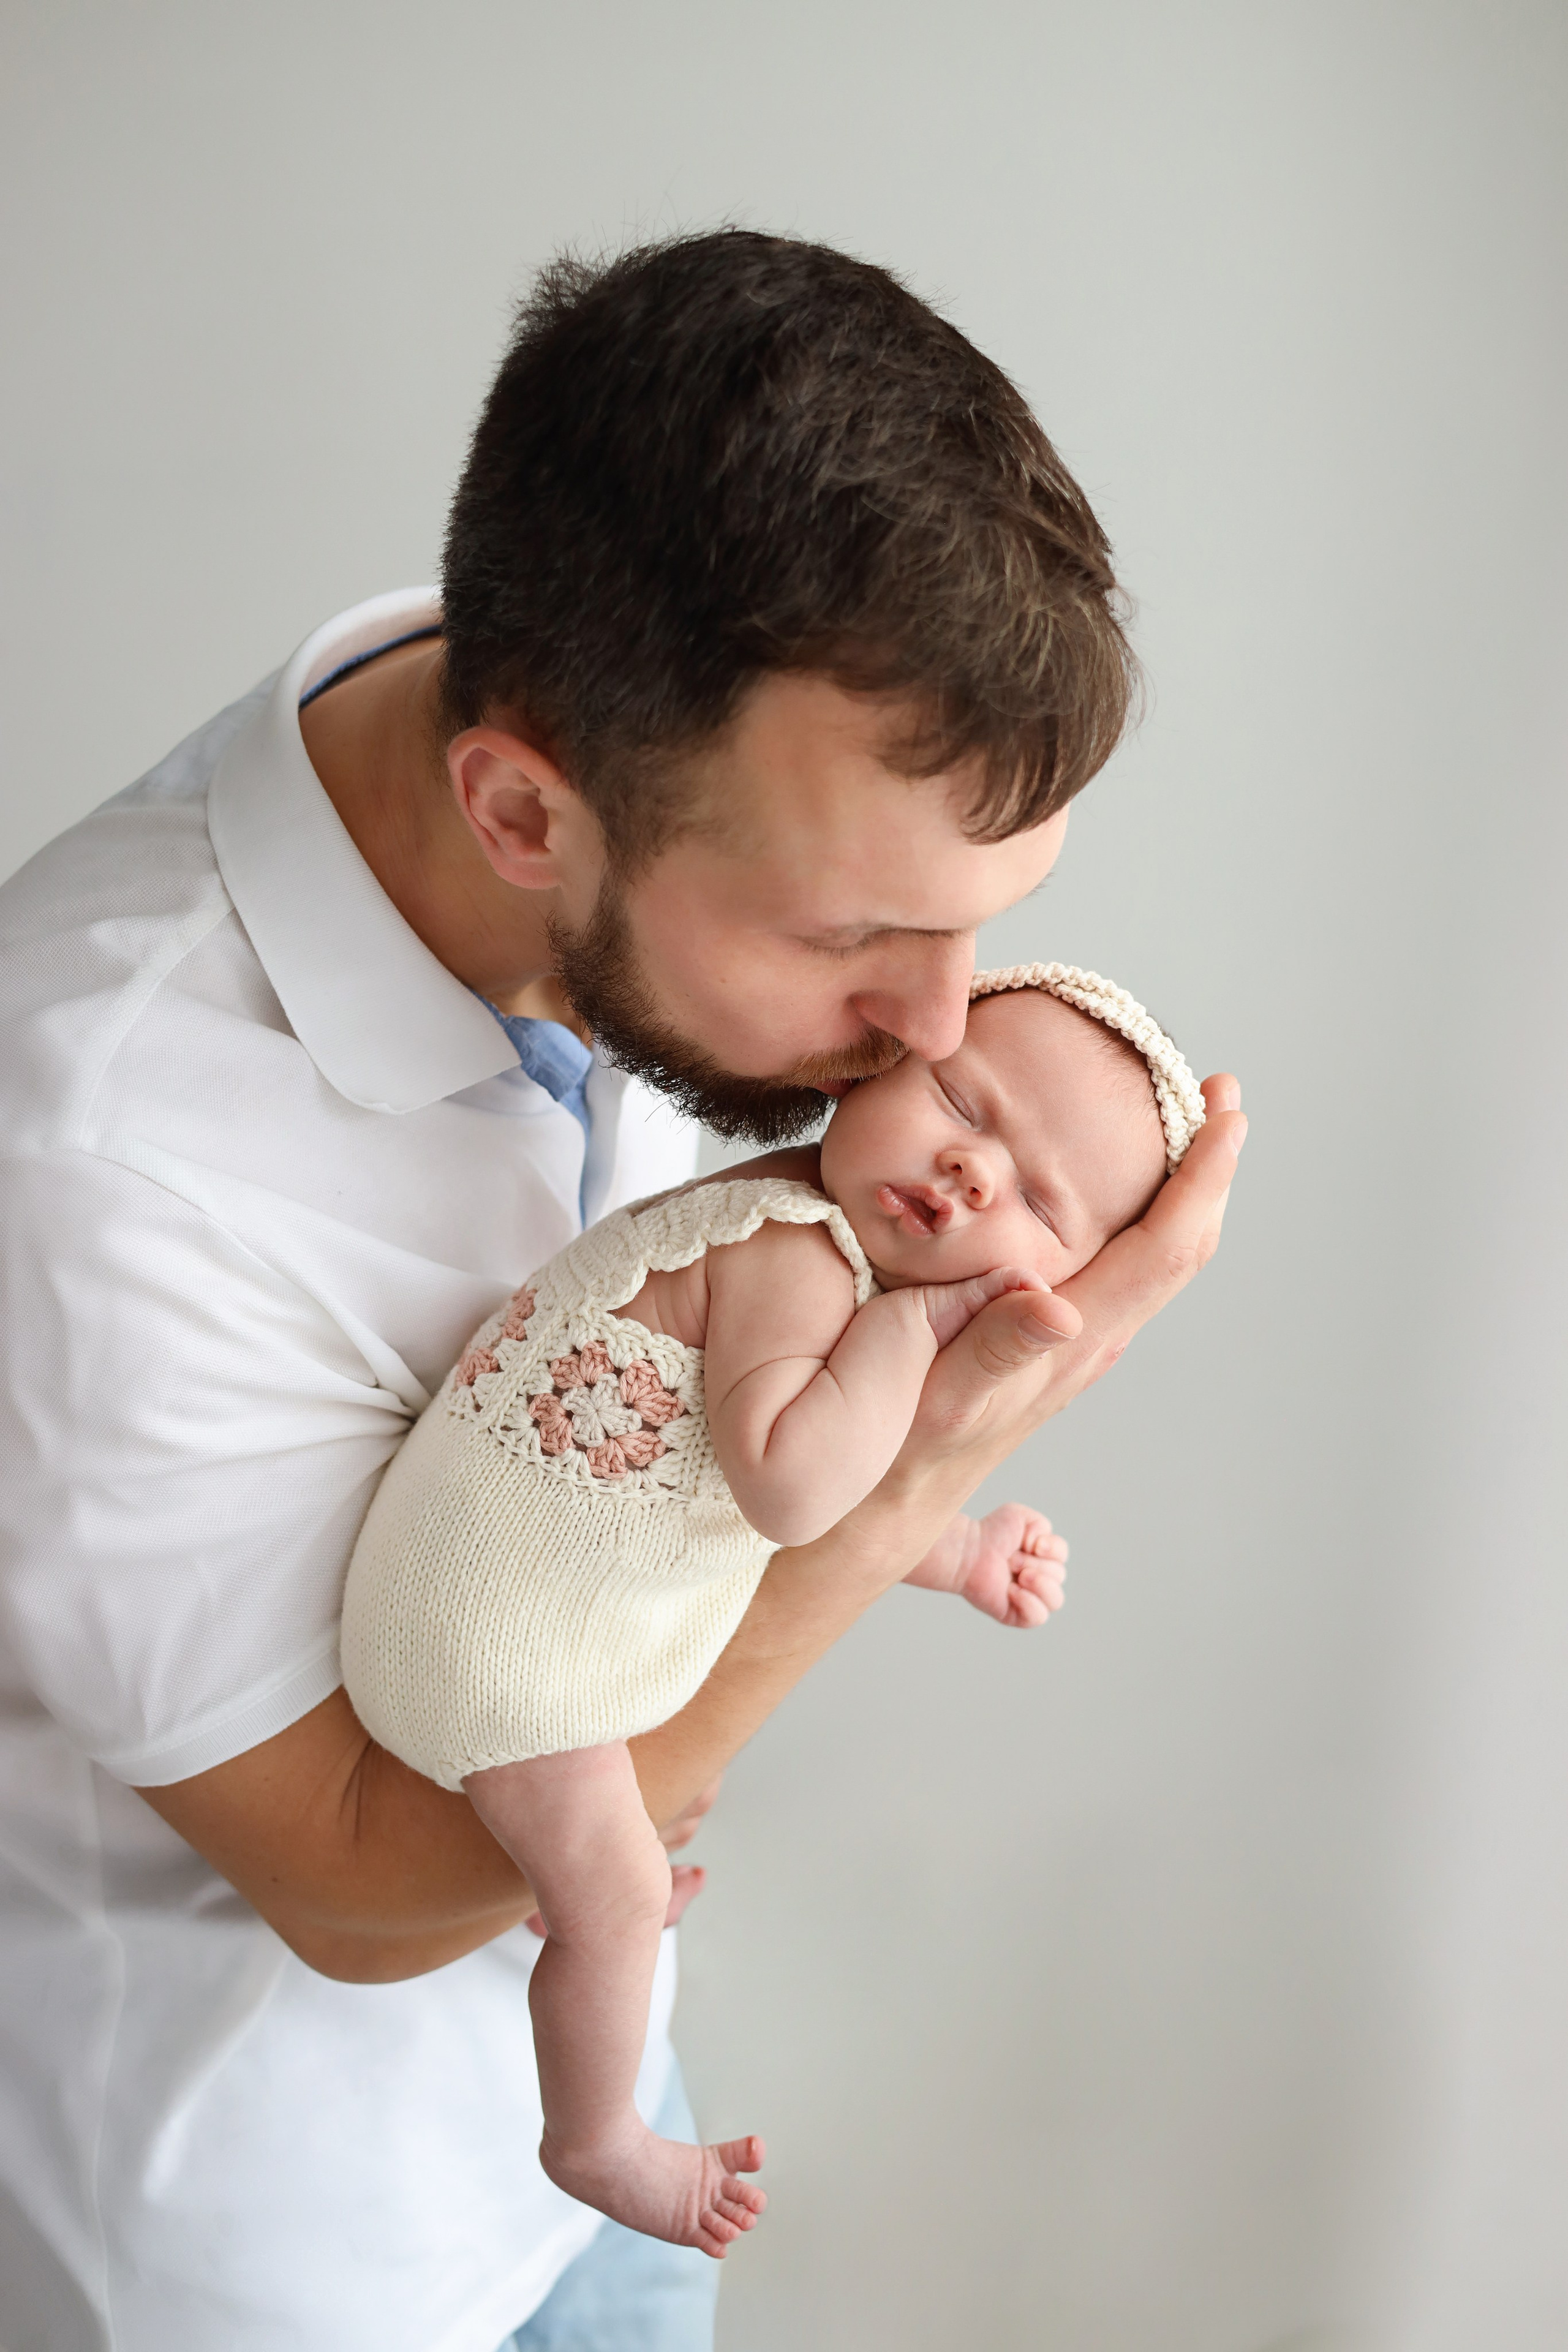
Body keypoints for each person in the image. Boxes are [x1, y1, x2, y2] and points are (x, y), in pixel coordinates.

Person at [0, 230, 1245, 2352]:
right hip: (312, 2260)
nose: (941, 1028)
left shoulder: (629, 756)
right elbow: (357, 1888)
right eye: (857, 943)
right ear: (520, 809)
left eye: (985, 928)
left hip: (611, 2117)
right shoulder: (95, 1153)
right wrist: (915, 1470)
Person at [341, 965, 1205, 2258]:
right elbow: (798, 1497)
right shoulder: (794, 1256)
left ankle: (551, 1874)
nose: (972, 1171)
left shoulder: (812, 1235)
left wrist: (958, 1548)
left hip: (490, 1606)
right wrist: (922, 1330)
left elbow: (798, 1493)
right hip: (492, 1645)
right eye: (962, 1104)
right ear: (872, 1075)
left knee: (625, 1831)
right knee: (622, 1896)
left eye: (1036, 1201)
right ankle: (596, 2139)